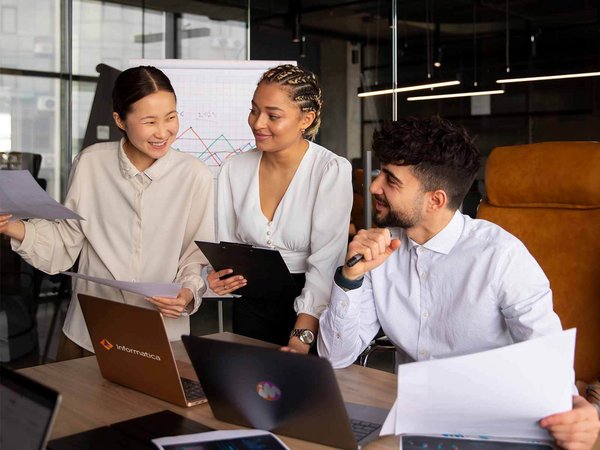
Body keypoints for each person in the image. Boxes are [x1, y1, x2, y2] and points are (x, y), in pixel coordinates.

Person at [317, 117, 600, 449]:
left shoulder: (500, 256)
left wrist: (573, 412)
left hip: (500, 421)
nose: (374, 187)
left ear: (435, 200)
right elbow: (334, 357)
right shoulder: (380, 250)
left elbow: (545, 351)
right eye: (381, 173)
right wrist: (350, 278)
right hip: (420, 417)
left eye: (391, 180)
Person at [0, 66, 214, 360]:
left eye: (171, 117)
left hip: (160, 334)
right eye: (149, 121)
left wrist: (187, 293)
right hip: (89, 330)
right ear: (120, 120)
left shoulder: (195, 175)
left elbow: (195, 255)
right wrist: (11, 226)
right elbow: (66, 238)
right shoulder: (91, 163)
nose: (163, 132)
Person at [207, 64, 353, 353]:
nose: (258, 123)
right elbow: (227, 248)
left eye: (273, 116)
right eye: (254, 110)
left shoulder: (330, 170)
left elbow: (326, 262)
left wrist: (302, 337)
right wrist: (219, 277)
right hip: (250, 307)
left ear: (306, 119)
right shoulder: (233, 169)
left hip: (310, 310)